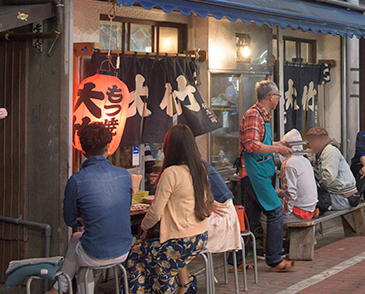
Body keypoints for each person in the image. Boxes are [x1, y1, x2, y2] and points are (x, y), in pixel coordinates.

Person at [47, 123, 133, 294]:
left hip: (94, 253)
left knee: (77, 241)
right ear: (108, 147)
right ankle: (58, 289)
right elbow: (124, 208)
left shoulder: (76, 180)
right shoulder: (125, 175)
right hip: (123, 249)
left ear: (83, 150)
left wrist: (85, 216)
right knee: (78, 239)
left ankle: (58, 289)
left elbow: (70, 220)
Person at [126, 125, 210, 294]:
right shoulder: (200, 168)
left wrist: (143, 227)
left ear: (169, 147)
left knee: (135, 256)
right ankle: (183, 286)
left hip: (178, 240)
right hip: (199, 238)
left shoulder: (171, 173)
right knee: (160, 260)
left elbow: (155, 213)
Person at [237, 80, 295, 272]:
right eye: (278, 96)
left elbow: (260, 141)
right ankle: (274, 259)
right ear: (271, 97)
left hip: (261, 172)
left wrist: (279, 144)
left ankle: (235, 262)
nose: (278, 99)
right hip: (253, 173)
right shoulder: (254, 115)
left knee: (250, 219)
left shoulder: (263, 116)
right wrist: (277, 148)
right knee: (276, 211)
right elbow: (251, 145)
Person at [177, 160, 244, 294]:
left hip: (218, 220)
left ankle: (185, 282)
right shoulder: (196, 165)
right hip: (219, 218)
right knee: (174, 238)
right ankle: (185, 280)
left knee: (174, 240)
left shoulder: (195, 167)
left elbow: (206, 202)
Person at [306, 127, 360, 212]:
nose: (310, 144)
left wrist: (312, 186)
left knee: (307, 202)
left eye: (313, 140)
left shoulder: (330, 151)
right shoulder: (321, 152)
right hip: (339, 195)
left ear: (322, 140)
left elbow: (328, 178)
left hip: (342, 198)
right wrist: (309, 158)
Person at [278, 129, 319, 222]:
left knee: (268, 214)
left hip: (299, 212)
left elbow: (291, 193)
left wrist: (286, 214)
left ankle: (274, 236)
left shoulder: (288, 164)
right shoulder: (305, 161)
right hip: (310, 209)